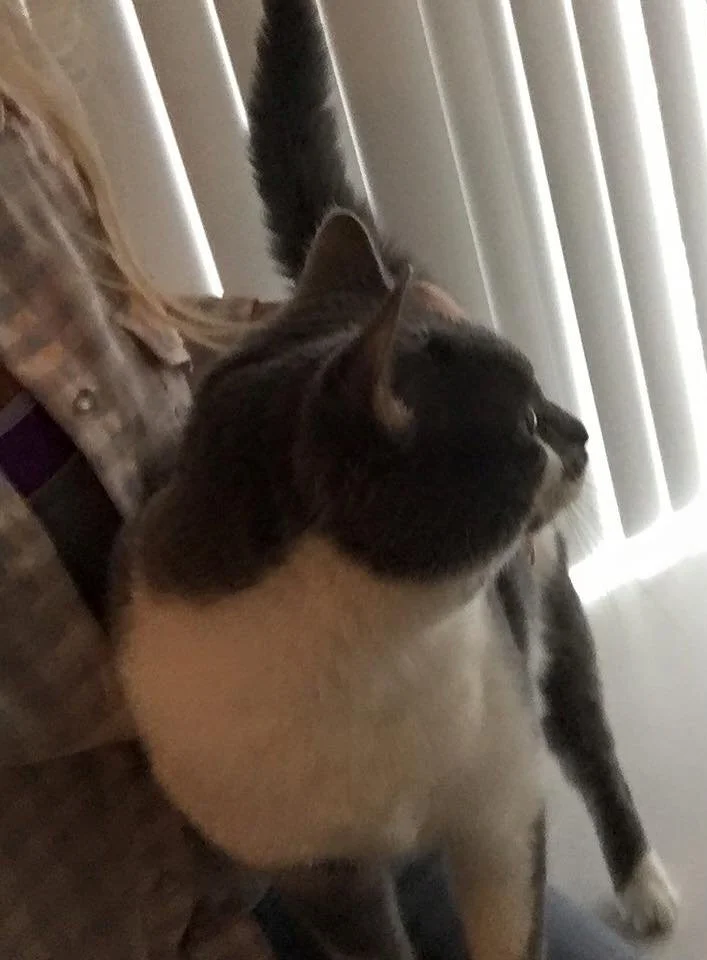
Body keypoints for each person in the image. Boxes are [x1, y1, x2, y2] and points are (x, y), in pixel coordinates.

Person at [0, 4, 650, 959]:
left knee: (559, 710)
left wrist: (340, 340)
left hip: (354, 740)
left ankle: (624, 837)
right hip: (128, 916)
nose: (579, 442)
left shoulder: (14, 131)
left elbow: (144, 350)